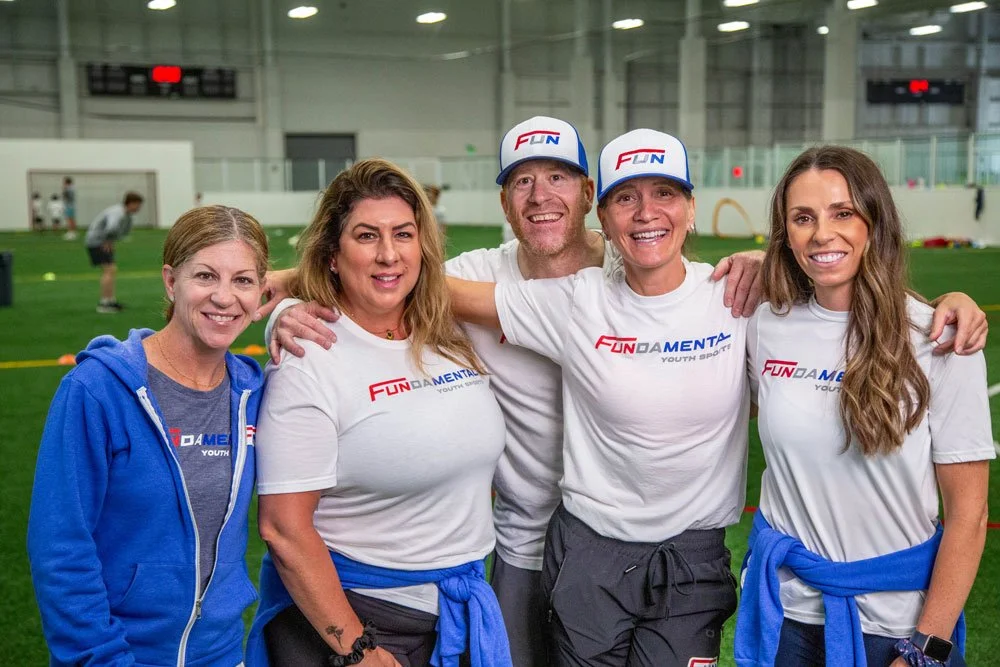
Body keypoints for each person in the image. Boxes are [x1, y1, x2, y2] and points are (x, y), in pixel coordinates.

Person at [260, 118, 987, 667]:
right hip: (559, 547)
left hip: (694, 558)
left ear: (688, 208)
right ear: (602, 214)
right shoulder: (562, 295)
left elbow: (844, 300)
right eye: (627, 198)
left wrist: (939, 311)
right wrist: (292, 291)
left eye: (664, 194)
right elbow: (399, 276)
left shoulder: (740, 299)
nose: (645, 212)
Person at [260, 116, 769, 667]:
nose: (540, 196)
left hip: (655, 546)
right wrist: (287, 307)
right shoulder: (482, 277)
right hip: (525, 547)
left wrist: (767, 264)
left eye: (558, 177)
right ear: (504, 202)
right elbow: (383, 279)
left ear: (588, 195)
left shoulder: (655, 273)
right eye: (523, 181)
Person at [244, 158, 511, 667]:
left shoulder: (448, 333)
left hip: (451, 612)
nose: (389, 254)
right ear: (332, 254)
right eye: (367, 236)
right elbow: (282, 528)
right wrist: (356, 648)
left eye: (403, 234)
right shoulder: (310, 357)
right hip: (356, 620)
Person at [736, 146, 994, 667]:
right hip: (786, 615)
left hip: (895, 629)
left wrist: (927, 647)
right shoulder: (764, 326)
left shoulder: (940, 340)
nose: (821, 234)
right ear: (785, 234)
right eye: (802, 218)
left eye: (842, 213)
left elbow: (969, 515)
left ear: (875, 223)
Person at [27, 205, 270, 666]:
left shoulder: (253, 392)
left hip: (222, 654)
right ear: (170, 281)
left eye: (242, 280)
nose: (224, 297)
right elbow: (60, 548)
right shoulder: (97, 390)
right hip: (121, 656)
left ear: (261, 291)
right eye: (205, 276)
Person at [85, 191, 144, 313]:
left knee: (110, 270)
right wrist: (107, 241)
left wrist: (110, 241)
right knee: (109, 269)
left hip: (102, 242)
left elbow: (122, 232)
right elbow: (111, 227)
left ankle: (110, 300)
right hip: (97, 242)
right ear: (130, 203)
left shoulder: (126, 215)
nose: (139, 208)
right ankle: (104, 304)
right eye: (137, 205)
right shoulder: (118, 213)